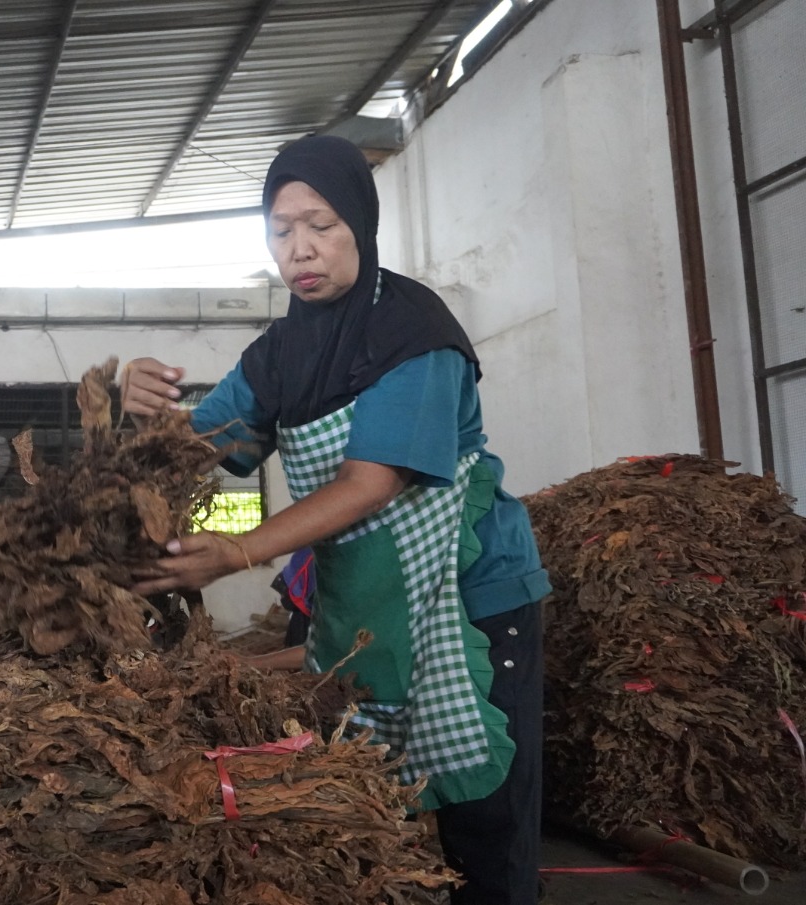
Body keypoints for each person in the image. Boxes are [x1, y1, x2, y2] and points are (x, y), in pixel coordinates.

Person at [120, 135, 549, 905]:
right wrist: (135, 403)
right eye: (280, 230)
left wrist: (237, 551)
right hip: (373, 601)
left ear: (359, 221)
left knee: (483, 815)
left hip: (471, 596)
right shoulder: (281, 353)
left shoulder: (413, 332)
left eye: (320, 224)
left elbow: (368, 483)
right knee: (382, 802)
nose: (301, 248)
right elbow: (190, 450)